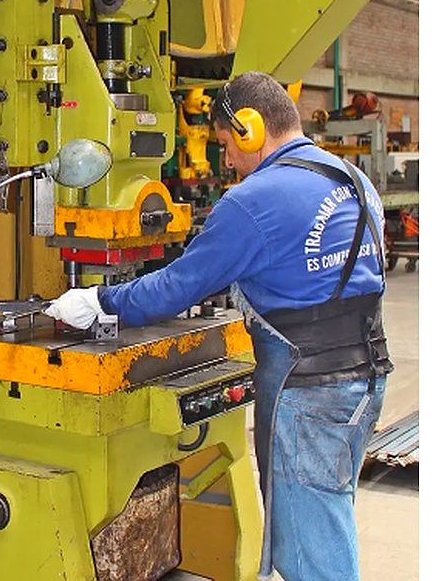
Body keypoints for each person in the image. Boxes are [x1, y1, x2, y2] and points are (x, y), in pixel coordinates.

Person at [44, 71, 393, 581]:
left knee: (311, 554)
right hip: (366, 380)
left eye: (226, 144)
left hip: (310, 394)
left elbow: (175, 289)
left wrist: (98, 301)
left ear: (250, 128)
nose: (225, 160)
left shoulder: (255, 200)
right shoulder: (353, 180)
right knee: (326, 514)